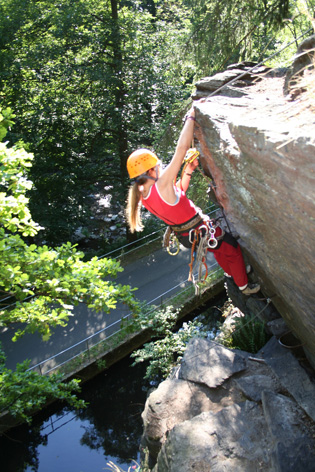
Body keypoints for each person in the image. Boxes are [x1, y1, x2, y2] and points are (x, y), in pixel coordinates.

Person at [125, 105, 260, 295]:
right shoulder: (161, 183)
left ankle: (233, 274)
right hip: (199, 230)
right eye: (158, 166)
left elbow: (177, 194)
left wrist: (187, 170)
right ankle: (244, 286)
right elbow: (181, 149)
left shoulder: (142, 194)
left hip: (188, 236)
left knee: (219, 249)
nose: (161, 168)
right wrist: (191, 117)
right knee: (232, 248)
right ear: (150, 171)